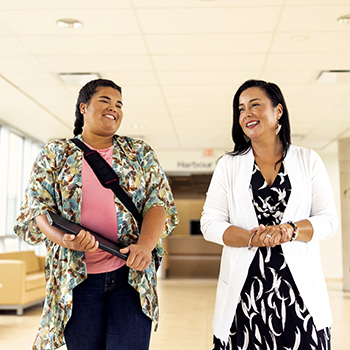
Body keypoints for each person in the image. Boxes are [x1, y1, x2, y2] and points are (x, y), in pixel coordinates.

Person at [13, 78, 179, 350]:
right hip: (76, 278)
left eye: (119, 104)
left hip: (130, 277)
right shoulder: (55, 153)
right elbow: (37, 207)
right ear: (83, 107)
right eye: (105, 101)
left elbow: (158, 202)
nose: (114, 108)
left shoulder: (139, 152)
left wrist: (146, 246)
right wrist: (63, 239)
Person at [200, 79, 337, 349]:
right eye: (240, 109)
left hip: (299, 297)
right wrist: (251, 238)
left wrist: (291, 230)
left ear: (279, 112)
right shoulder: (229, 166)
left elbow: (329, 221)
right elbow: (210, 223)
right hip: (245, 295)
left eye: (255, 105)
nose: (246, 114)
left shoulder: (308, 160)